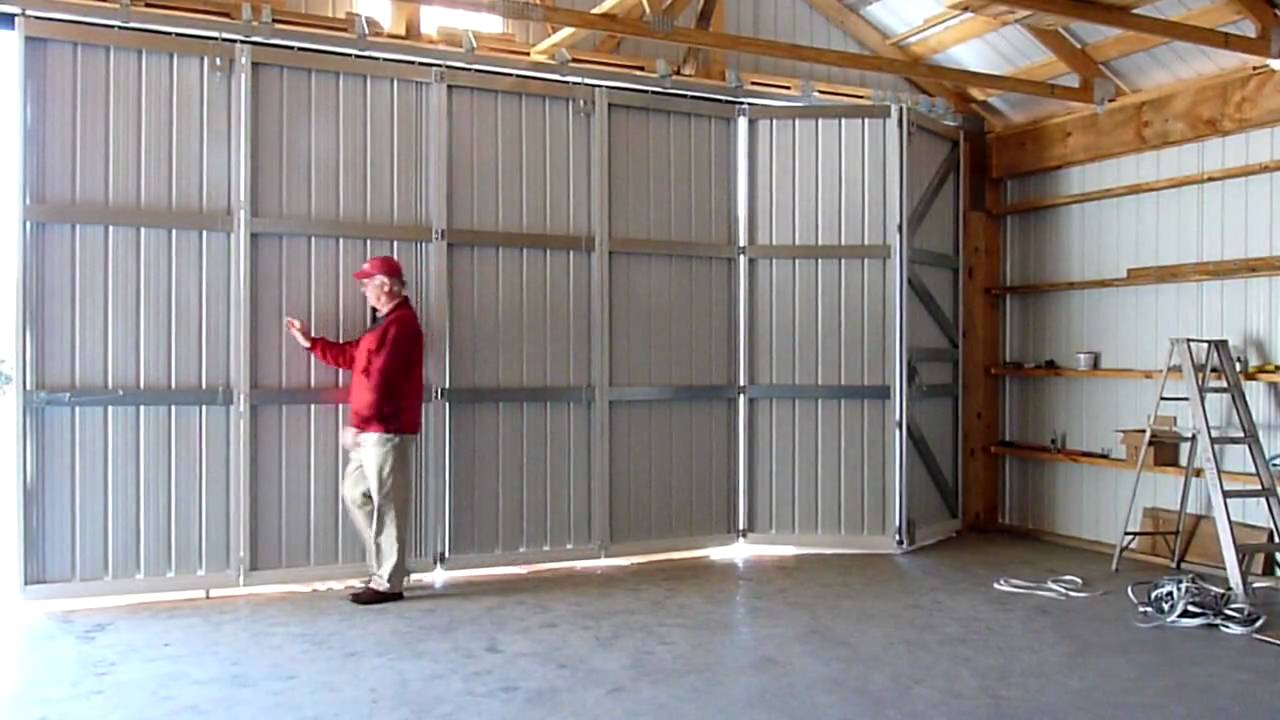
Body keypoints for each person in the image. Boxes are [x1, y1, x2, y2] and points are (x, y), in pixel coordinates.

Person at [284, 255, 424, 606]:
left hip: (385, 429)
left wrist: (358, 422)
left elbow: (382, 380)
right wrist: (310, 343)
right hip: (372, 430)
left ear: (386, 285)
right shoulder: (384, 325)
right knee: (355, 494)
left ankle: (388, 581)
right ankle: (387, 569)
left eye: (367, 284)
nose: (363, 291)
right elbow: (354, 357)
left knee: (388, 504)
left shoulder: (401, 326)